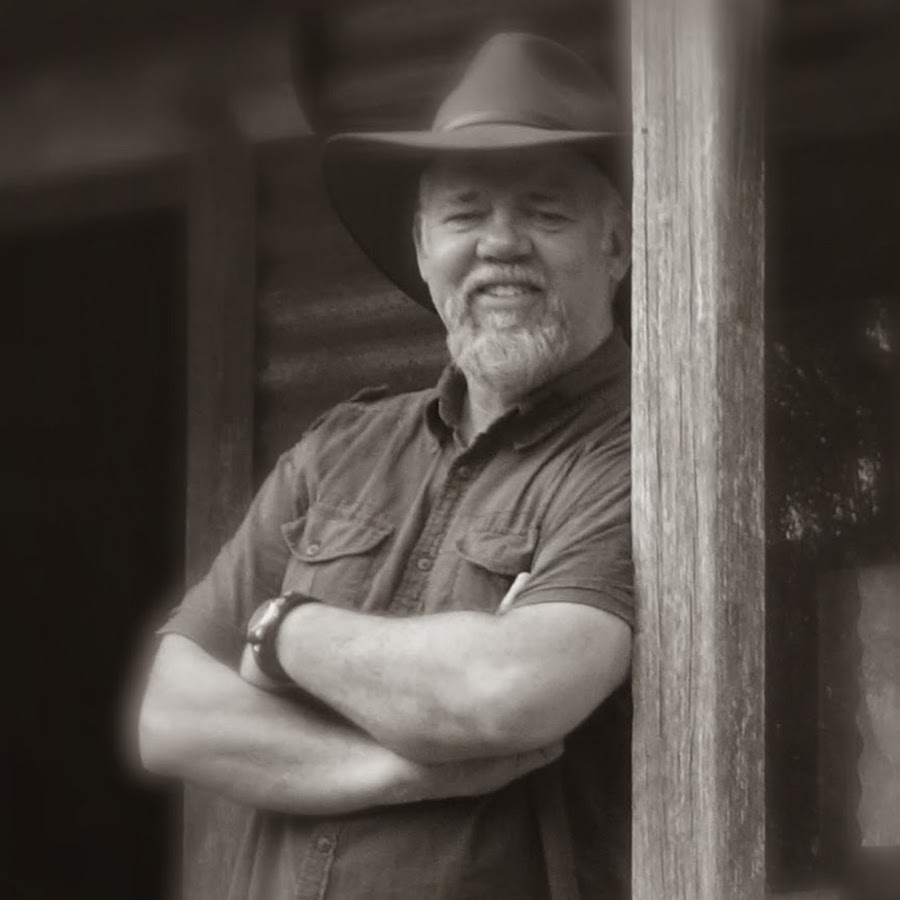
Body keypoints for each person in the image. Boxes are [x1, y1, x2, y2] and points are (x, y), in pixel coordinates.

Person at [139, 31, 634, 900]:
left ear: (618, 245)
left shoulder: (642, 449)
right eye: (465, 213)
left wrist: (281, 630)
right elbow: (172, 716)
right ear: (421, 245)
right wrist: (407, 770)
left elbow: (508, 691)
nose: (501, 242)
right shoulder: (339, 448)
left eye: (546, 212)